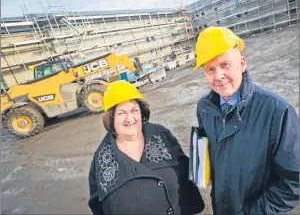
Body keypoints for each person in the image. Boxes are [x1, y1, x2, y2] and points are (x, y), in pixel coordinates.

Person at [193, 26, 299, 215]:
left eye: (225, 65)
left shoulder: (276, 111)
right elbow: (204, 146)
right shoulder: (204, 108)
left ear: (242, 64)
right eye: (210, 69)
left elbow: (294, 181)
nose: (218, 76)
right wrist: (199, 167)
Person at [88, 80, 204, 215]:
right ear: (111, 118)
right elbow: (97, 205)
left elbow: (185, 169)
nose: (129, 118)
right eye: (121, 113)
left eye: (134, 110)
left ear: (141, 113)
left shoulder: (161, 135)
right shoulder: (101, 159)